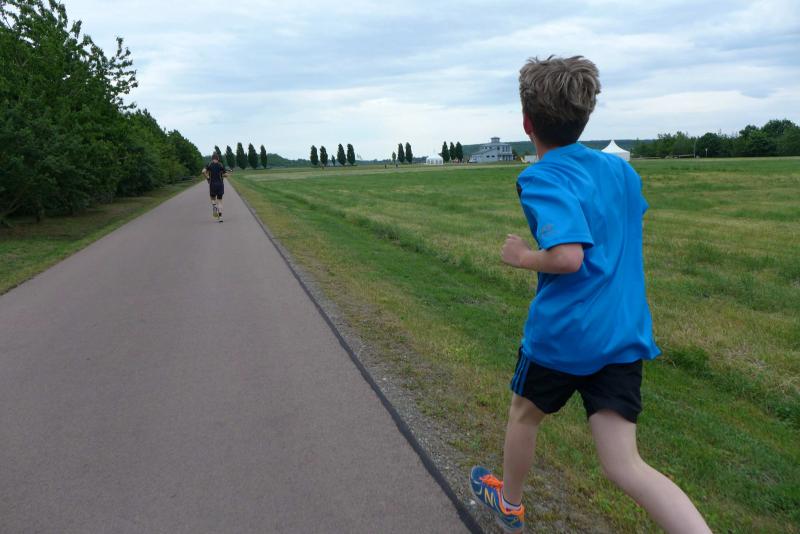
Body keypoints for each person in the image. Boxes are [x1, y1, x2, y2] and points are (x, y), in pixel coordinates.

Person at [468, 56, 710, 534]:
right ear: (585, 116)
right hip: (621, 334)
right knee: (625, 465)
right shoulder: (621, 173)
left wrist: (522, 256)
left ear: (527, 122)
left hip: (564, 336)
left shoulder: (541, 176)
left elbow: (567, 257)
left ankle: (510, 504)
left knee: (524, 414)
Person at [203, 154, 227, 222]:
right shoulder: (221, 165)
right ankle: (220, 217)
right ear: (218, 158)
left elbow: (203, 171)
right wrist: (226, 175)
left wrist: (208, 178)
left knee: (212, 198)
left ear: (212, 158)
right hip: (220, 185)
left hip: (212, 185)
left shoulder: (209, 164)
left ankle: (214, 205)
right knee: (220, 201)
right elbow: (225, 174)